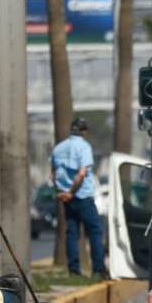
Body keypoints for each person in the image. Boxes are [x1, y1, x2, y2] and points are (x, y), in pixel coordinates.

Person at [50, 117, 106, 278]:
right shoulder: (84, 147)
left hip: (67, 199)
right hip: (82, 196)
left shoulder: (58, 148)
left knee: (72, 233)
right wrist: (72, 192)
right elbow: (82, 173)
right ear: (84, 131)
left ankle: (74, 270)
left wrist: (61, 192)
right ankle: (98, 269)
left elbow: (53, 174)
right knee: (95, 231)